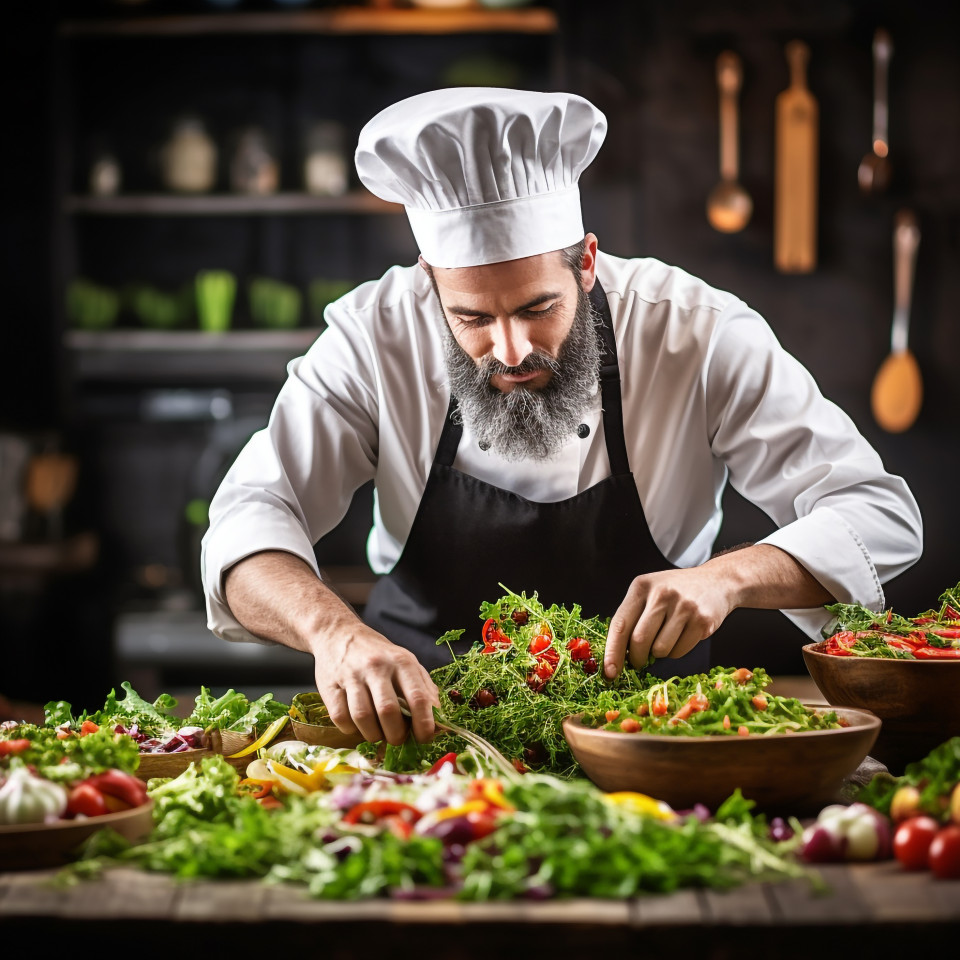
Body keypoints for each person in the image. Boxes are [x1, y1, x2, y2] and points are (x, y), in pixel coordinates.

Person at [201, 88, 922, 748]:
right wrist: (334, 635)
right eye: (472, 318)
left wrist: (728, 579)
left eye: (537, 308)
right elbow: (250, 517)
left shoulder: (695, 331)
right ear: (430, 284)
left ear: (586, 262)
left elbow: (877, 512)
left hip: (655, 741)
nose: (509, 350)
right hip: (422, 737)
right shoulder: (372, 336)